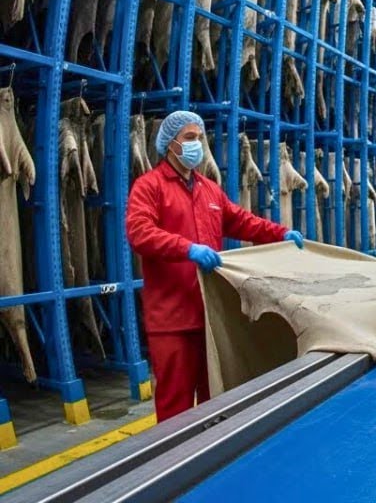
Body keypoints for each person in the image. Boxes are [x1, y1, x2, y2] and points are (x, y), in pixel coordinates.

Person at [125, 111, 305, 422]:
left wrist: (280, 233)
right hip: (172, 320)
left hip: (210, 315)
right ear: (170, 144)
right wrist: (187, 248)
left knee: (215, 401)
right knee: (175, 408)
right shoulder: (149, 186)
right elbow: (139, 232)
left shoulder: (208, 189)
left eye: (200, 138)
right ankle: (175, 465)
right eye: (189, 138)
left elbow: (240, 221)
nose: (197, 145)